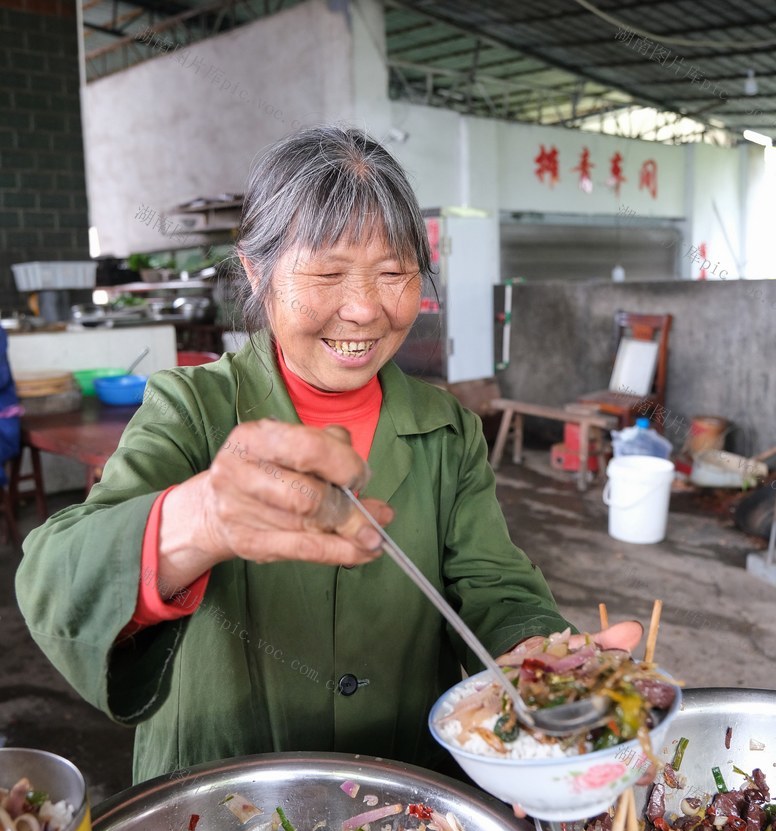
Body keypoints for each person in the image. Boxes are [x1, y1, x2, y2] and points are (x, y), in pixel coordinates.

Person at [16, 125, 577, 788]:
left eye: (394, 273)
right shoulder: (191, 408)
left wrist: (537, 657)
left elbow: (495, 587)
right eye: (328, 273)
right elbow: (55, 577)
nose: (365, 309)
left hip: (403, 803)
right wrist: (198, 522)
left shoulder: (447, 430)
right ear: (258, 271)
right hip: (219, 807)